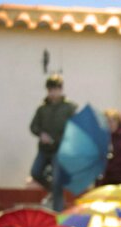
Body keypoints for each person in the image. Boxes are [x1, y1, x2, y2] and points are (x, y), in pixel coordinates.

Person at [29, 74, 76, 211]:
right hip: (44, 148)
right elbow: (33, 126)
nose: (53, 93)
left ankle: (58, 211)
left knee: (57, 180)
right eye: (50, 90)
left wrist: (62, 139)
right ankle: (53, 191)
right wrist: (41, 134)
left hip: (60, 150)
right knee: (35, 172)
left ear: (61, 90)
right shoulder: (42, 108)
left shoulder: (69, 108)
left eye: (55, 90)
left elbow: (74, 129)